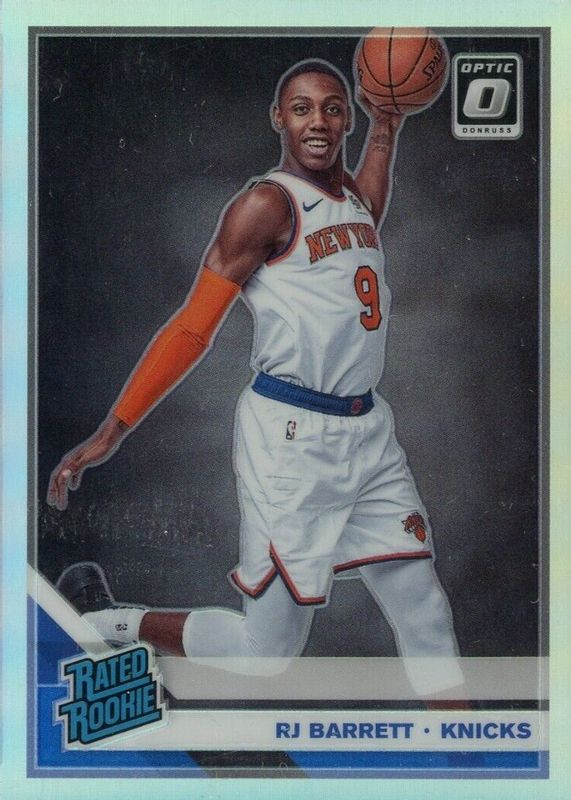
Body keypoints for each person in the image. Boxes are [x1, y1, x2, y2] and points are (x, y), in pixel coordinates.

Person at [48, 58, 465, 701]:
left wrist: (387, 123)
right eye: (302, 109)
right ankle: (105, 623)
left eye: (332, 108)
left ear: (346, 119)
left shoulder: (351, 199)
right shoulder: (264, 205)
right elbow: (193, 328)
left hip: (368, 431)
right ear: (278, 119)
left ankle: (464, 750)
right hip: (291, 437)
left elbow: (367, 212)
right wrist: (114, 428)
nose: (317, 121)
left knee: (424, 606)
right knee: (266, 653)